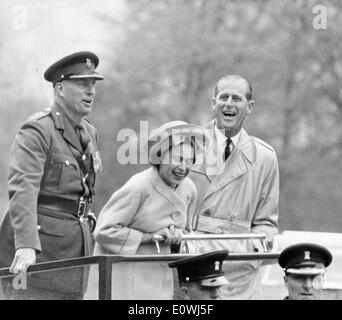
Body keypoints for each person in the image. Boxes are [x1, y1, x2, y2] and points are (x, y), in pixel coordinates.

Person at [0, 51, 104, 300]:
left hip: (75, 252)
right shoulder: (38, 129)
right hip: (37, 254)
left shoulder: (90, 133)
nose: (90, 91)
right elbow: (23, 190)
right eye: (82, 84)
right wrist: (25, 245)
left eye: (92, 84)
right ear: (59, 89)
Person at [187, 74, 279, 299]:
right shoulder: (187, 146)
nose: (229, 104)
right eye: (223, 97)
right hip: (195, 267)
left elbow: (266, 222)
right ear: (213, 103)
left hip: (240, 273)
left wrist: (249, 252)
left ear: (249, 107)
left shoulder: (265, 157)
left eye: (236, 99)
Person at [93, 121, 209, 300]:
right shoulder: (139, 187)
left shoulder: (189, 189)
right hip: (126, 277)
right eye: (177, 159)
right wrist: (152, 237)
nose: (183, 167)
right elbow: (103, 231)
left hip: (162, 276)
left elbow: (187, 233)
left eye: (189, 161)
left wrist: (178, 238)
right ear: (160, 157)